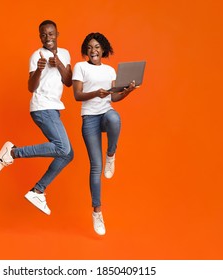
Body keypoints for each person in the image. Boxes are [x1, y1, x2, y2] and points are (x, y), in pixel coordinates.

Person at [0, 20, 74, 215]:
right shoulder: (35, 56)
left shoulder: (65, 54)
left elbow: (69, 81)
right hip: (42, 107)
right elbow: (31, 87)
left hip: (54, 108)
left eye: (51, 34)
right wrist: (39, 69)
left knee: (67, 154)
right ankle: (12, 153)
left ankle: (38, 190)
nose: (48, 38)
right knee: (63, 148)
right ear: (40, 37)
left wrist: (59, 64)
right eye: (44, 35)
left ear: (57, 34)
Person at [72, 32, 137, 235]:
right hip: (89, 118)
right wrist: (95, 93)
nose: (94, 50)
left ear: (104, 49)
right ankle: (97, 211)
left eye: (97, 47)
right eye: (90, 47)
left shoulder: (109, 70)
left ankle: (111, 154)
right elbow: (77, 95)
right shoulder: (80, 67)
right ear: (86, 50)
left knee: (114, 118)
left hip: (105, 113)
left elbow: (114, 98)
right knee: (95, 168)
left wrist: (127, 91)